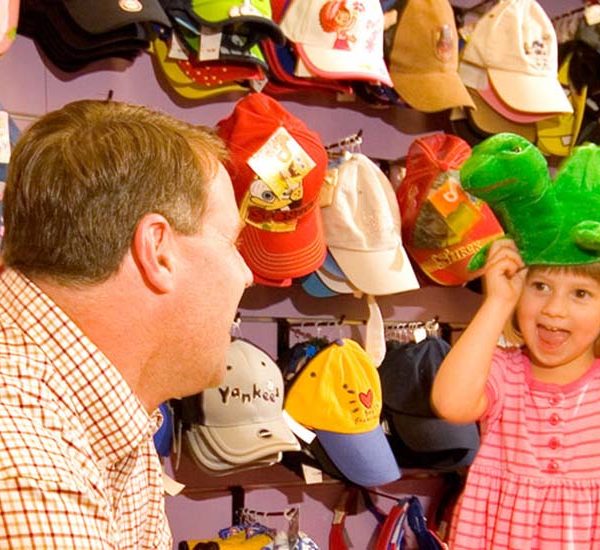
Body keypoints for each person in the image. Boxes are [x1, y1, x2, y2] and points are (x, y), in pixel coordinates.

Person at [0, 99, 253, 548]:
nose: (247, 274)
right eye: (231, 242)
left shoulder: (109, 411)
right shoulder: (27, 467)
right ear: (158, 252)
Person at [431, 238, 600, 549]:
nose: (554, 309)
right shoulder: (502, 371)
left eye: (580, 293)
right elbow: (450, 403)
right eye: (540, 286)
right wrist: (497, 302)